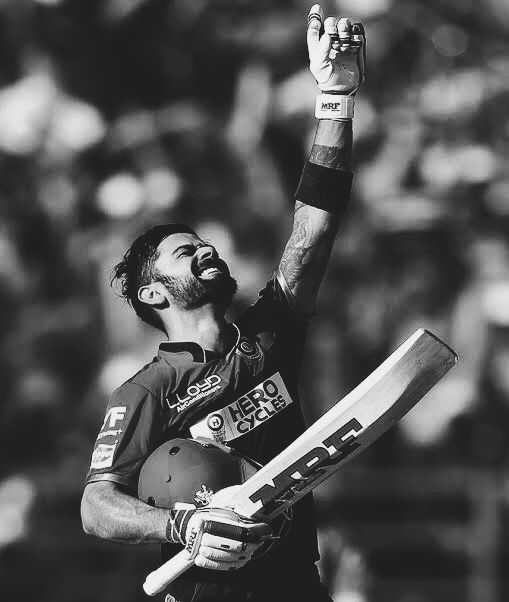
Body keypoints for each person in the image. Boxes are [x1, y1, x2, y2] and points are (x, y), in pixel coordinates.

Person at [80, 5, 366, 601]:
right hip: (210, 591)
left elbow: (313, 233)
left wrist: (334, 99)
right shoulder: (146, 389)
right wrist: (178, 525)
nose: (206, 247)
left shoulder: (270, 333)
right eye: (186, 251)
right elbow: (97, 505)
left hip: (298, 583)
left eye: (206, 241)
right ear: (152, 292)